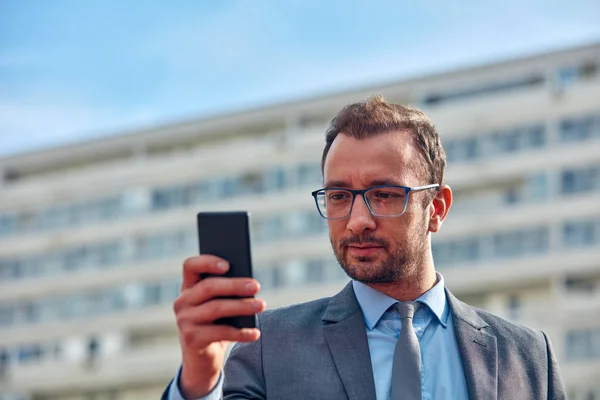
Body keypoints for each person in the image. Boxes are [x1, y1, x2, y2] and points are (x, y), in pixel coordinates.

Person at [162, 95, 566, 400]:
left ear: (437, 208)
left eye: (385, 194)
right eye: (339, 196)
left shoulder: (528, 357)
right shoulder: (270, 344)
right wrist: (199, 382)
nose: (357, 220)